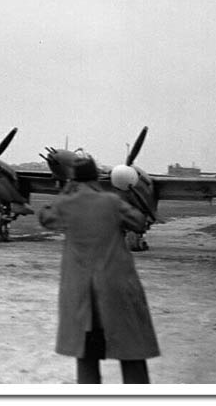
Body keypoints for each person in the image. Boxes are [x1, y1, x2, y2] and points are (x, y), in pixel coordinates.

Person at [38, 155, 160, 384]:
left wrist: (65, 191)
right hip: (117, 288)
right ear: (96, 177)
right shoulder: (111, 202)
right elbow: (139, 221)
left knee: (86, 356)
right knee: (132, 351)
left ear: (73, 180)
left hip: (82, 294)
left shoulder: (66, 205)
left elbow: (45, 217)